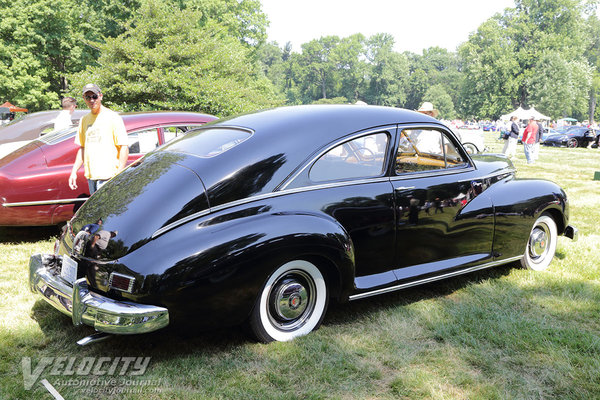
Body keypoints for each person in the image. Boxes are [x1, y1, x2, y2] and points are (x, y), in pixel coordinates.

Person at [68, 84, 129, 194]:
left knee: (109, 210)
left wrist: (119, 174)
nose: (92, 100)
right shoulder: (84, 120)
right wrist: (74, 171)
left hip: (109, 177)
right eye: (88, 97)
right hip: (91, 178)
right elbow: (82, 148)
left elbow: (124, 146)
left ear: (100, 96)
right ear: (84, 99)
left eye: (94, 96)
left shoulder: (112, 117)